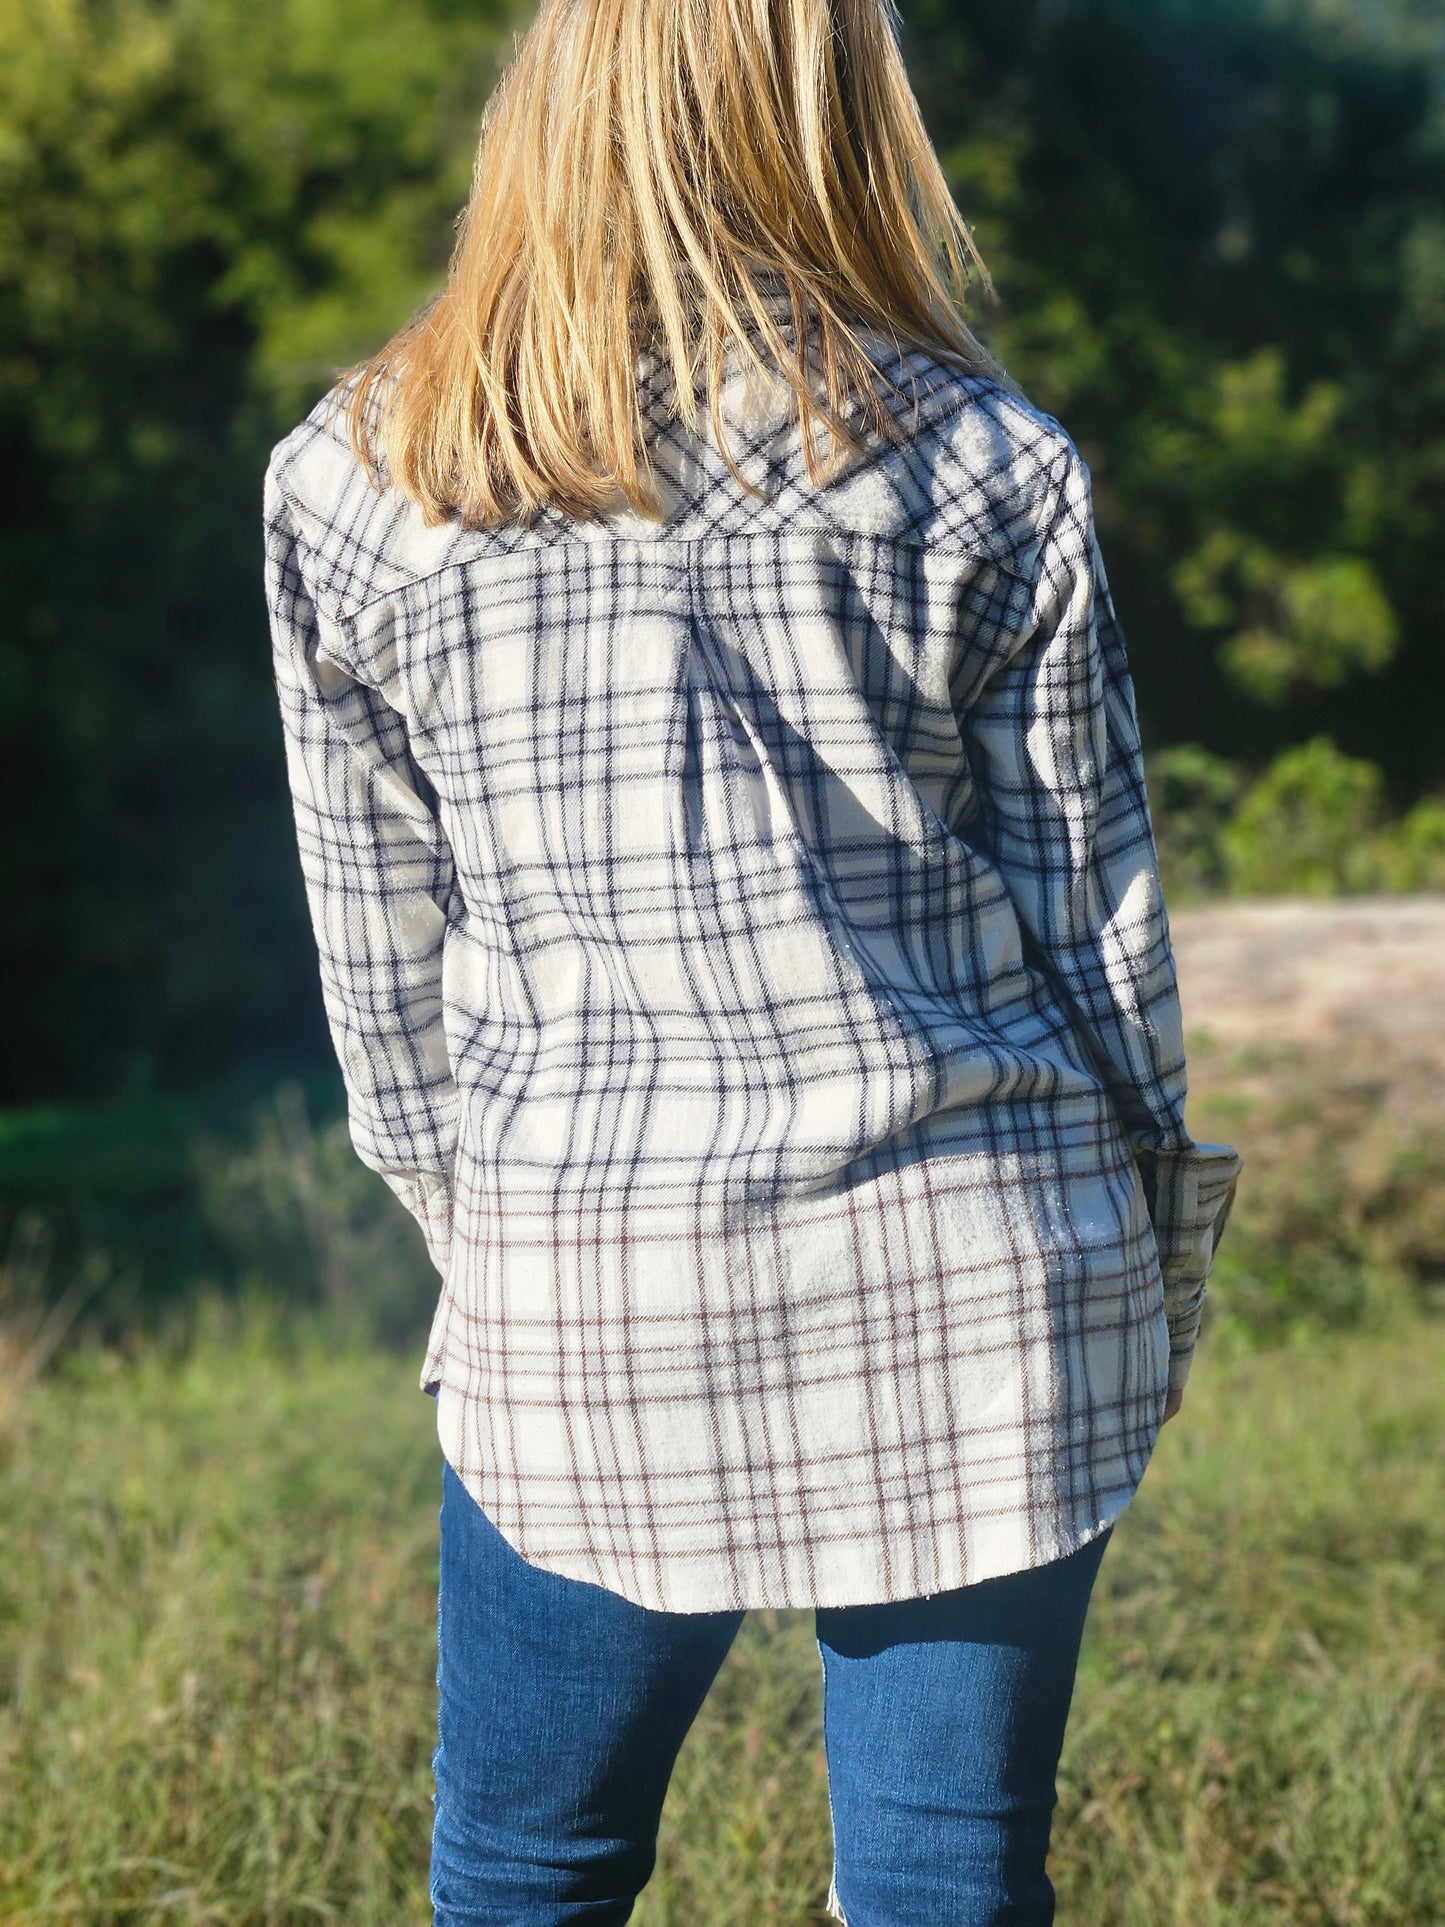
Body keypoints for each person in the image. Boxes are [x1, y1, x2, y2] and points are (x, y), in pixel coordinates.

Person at [262, 1, 1244, 1920]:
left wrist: (508, 1240)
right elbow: (1101, 941)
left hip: (585, 1278)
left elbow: (379, 987)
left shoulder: (358, 477)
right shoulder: (985, 460)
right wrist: (1149, 1249)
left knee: (525, 1874)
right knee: (947, 1891)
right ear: (832, 106)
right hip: (974, 1266)